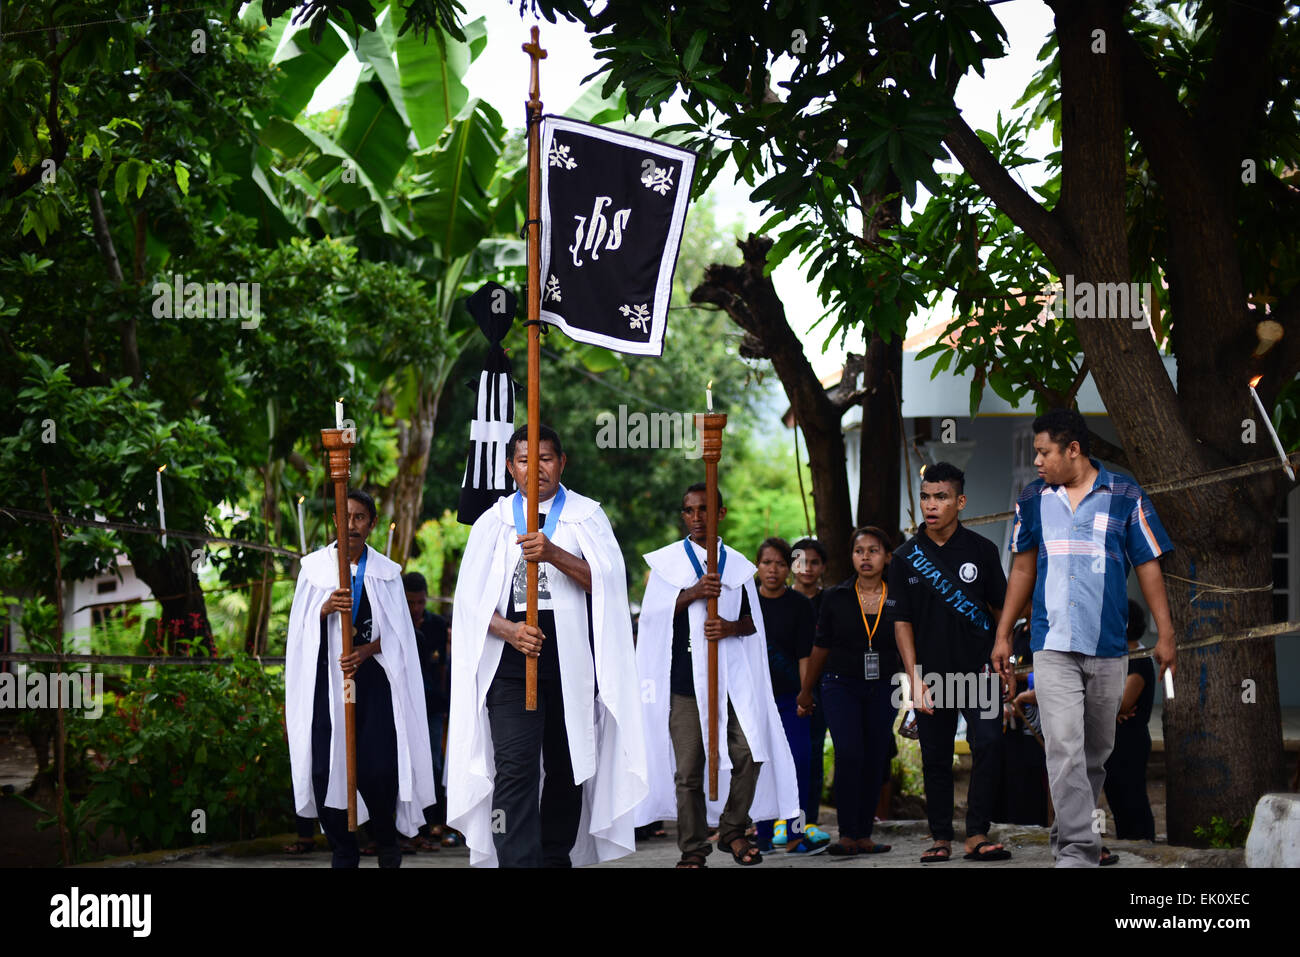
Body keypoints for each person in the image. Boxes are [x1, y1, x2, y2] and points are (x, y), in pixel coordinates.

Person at [446, 425, 647, 868]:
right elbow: (469, 606)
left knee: (567, 765)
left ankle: (556, 857)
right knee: (514, 769)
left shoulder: (586, 516)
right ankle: (517, 861)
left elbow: (608, 585)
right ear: (508, 466)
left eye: (546, 458)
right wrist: (508, 630)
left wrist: (554, 553)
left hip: (571, 662)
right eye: (523, 459)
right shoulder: (492, 522)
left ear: (562, 462)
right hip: (511, 665)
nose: (535, 468)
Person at [993, 408, 1176, 868]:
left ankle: (1068, 835)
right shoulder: (1033, 498)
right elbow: (1022, 568)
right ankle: (1078, 850)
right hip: (1051, 644)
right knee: (1065, 745)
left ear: (1073, 450)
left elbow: (1148, 565)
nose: (1036, 461)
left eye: (1044, 452)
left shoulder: (1124, 494)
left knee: (1095, 753)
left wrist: (1165, 631)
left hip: (1108, 646)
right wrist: (1002, 635)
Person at [636, 484, 800, 868]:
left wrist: (729, 628)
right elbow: (653, 618)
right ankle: (693, 848)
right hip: (683, 685)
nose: (697, 518)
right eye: (689, 511)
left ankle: (731, 829)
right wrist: (692, 592)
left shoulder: (740, 567)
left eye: (705, 510)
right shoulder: (667, 564)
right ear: (683, 516)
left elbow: (751, 624)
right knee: (689, 770)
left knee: (750, 753)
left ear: (720, 514)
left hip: (731, 682)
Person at [285, 489, 437, 868]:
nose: (352, 524)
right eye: (345, 516)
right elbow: (299, 633)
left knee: (377, 768)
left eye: (360, 517)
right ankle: (343, 848)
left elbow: (401, 636)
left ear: (370, 523)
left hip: (373, 685)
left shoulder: (386, 575)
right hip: (328, 683)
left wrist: (366, 651)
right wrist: (324, 609)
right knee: (325, 767)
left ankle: (386, 841)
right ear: (336, 520)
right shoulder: (315, 570)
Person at [889, 462, 1010, 863]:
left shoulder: (982, 551)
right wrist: (913, 679)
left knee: (990, 744)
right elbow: (901, 622)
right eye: (925, 496)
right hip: (931, 676)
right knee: (936, 756)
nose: (931, 504)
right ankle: (940, 835)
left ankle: (976, 833)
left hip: (980, 672)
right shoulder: (905, 557)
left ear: (960, 501)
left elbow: (1000, 610)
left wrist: (1003, 654)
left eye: (941, 497)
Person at [797, 526, 898, 857]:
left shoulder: (898, 596)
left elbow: (910, 641)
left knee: (875, 756)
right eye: (859, 551)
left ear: (887, 556)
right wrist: (806, 690)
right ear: (851, 556)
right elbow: (820, 646)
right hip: (839, 683)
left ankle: (864, 834)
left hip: (884, 685)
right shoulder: (836, 597)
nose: (866, 557)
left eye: (873, 550)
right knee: (850, 753)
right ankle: (846, 833)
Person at [752, 538, 828, 854]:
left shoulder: (799, 604)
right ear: (757, 566)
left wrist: (804, 694)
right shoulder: (745, 601)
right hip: (753, 698)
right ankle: (763, 836)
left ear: (789, 568)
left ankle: (796, 834)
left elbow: (804, 655)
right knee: (759, 765)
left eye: (780, 564)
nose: (773, 570)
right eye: (767, 562)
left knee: (798, 761)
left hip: (789, 699)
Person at [790, 537, 833, 846]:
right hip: (782, 689)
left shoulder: (830, 601)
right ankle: (778, 823)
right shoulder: (777, 598)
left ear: (823, 567)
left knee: (812, 758)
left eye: (814, 562)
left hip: (820, 688)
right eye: (800, 561)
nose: (807, 568)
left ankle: (808, 822)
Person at [1103, 600, 1157, 841]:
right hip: (1114, 739)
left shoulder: (1138, 659)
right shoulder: (1118, 657)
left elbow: (1122, 704)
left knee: (1132, 797)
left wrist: (1109, 706)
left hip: (1130, 741)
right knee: (1116, 797)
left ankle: (1143, 845)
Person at [403, 571, 449, 850]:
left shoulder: (437, 625)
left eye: (420, 602)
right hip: (403, 704)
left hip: (431, 703)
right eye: (410, 602)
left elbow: (441, 666)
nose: (415, 608)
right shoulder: (394, 621)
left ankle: (429, 823)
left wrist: (443, 703)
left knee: (433, 762)